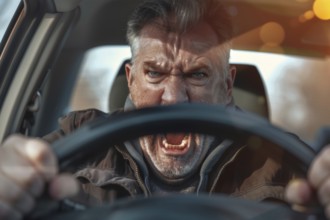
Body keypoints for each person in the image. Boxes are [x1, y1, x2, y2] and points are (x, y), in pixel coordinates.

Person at [0, 0, 330, 219]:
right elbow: (22, 172)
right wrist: (10, 180)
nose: (173, 98)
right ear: (130, 79)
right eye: (155, 73)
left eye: (197, 74)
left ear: (227, 85)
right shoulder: (74, 144)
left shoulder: (286, 165)